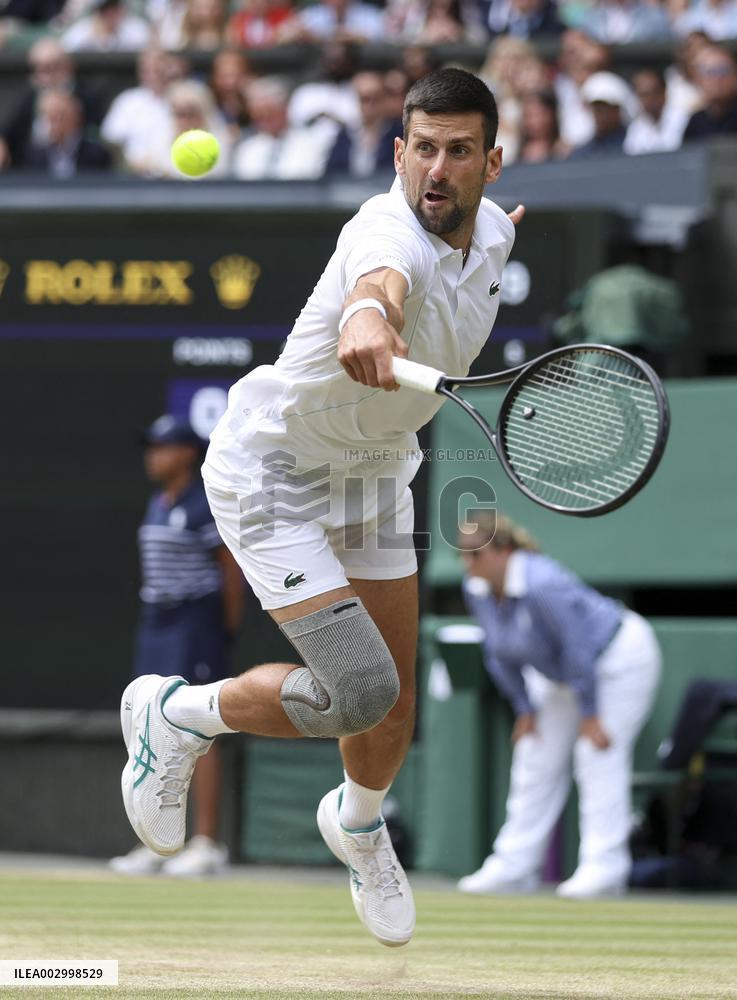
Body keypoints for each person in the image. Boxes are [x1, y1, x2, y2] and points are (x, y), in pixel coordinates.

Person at [118, 67, 522, 946]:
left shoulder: (492, 235)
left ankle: (359, 823)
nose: (437, 171)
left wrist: (470, 253)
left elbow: (466, 257)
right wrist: (368, 319)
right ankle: (178, 713)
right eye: (422, 150)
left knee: (395, 704)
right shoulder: (385, 228)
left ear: (492, 162)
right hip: (275, 473)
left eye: (459, 152)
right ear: (398, 153)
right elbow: (378, 287)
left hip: (376, 470)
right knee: (358, 689)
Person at [456, 513, 661, 899]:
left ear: (503, 551)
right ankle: (514, 866)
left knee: (595, 753)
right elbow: (498, 652)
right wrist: (525, 709)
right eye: (462, 556)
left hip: (618, 660)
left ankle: (605, 868)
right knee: (534, 753)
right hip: (558, 674)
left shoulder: (542, 584)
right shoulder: (477, 589)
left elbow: (578, 647)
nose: (468, 564)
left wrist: (591, 714)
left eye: (475, 554)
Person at [111, 415, 245, 876]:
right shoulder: (157, 503)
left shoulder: (204, 503)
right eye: (152, 448)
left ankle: (205, 842)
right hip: (156, 621)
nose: (154, 456)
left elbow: (231, 571)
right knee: (148, 723)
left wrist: (223, 628)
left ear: (187, 453)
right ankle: (155, 842)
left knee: (198, 729)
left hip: (196, 621)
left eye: (162, 447)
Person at [23, 90, 112, 176]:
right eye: (48, 117)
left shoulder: (96, 155)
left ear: (76, 118)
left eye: (60, 117)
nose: (54, 124)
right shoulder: (33, 155)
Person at [568, 70, 634, 157]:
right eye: (596, 107)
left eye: (605, 107)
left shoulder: (634, 142)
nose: (600, 113)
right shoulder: (582, 152)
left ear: (617, 109)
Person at [624, 68, 687, 154]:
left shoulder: (683, 119)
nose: (650, 99)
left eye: (654, 92)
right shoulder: (636, 127)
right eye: (643, 95)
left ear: (664, 92)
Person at [683, 44, 737, 141]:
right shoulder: (695, 123)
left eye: (723, 70)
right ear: (698, 79)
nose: (718, 78)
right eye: (710, 72)